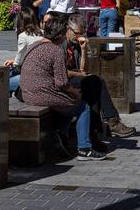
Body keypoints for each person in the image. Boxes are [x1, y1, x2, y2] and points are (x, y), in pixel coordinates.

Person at [18, 14, 105, 160]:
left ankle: (61, 134)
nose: (66, 37)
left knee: (67, 100)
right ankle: (84, 148)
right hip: (42, 94)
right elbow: (62, 83)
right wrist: (75, 92)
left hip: (27, 93)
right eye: (64, 33)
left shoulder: (35, 45)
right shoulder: (55, 50)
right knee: (82, 106)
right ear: (59, 35)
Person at [65, 15, 136, 138]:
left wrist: (83, 50)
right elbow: (63, 72)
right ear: (68, 29)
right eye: (76, 33)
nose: (79, 36)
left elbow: (83, 69)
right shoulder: (62, 44)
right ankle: (110, 123)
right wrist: (80, 74)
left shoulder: (76, 44)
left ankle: (101, 128)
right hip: (64, 81)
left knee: (95, 84)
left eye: (81, 33)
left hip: (75, 78)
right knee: (96, 82)